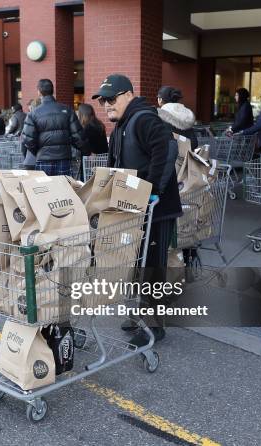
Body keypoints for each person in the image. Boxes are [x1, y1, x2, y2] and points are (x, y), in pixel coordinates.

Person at [93, 73, 182, 346]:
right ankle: (138, 315)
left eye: (111, 99)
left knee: (152, 268)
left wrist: (154, 190)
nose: (106, 105)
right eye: (103, 101)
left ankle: (154, 327)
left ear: (128, 95)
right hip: (135, 209)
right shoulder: (123, 123)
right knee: (136, 264)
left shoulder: (143, 118)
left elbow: (167, 149)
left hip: (156, 209)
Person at [156, 86, 198, 273]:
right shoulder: (188, 118)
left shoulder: (159, 118)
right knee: (187, 217)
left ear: (160, 101)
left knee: (170, 222)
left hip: (171, 176)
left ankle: (172, 259)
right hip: (189, 176)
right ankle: (186, 255)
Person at [21, 78, 84, 176]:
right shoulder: (67, 110)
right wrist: (85, 150)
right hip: (64, 158)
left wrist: (38, 151)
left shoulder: (33, 114)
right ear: (52, 90)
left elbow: (27, 139)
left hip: (43, 159)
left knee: (44, 190)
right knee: (64, 189)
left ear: (39, 92)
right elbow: (78, 136)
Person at [76, 103, 108, 181]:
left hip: (90, 160)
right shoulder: (99, 125)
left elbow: (82, 143)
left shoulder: (86, 128)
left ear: (82, 114)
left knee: (87, 182)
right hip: (102, 159)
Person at [21, 98, 41, 170]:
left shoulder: (30, 117)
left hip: (31, 160)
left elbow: (24, 140)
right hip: (45, 159)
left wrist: (26, 155)